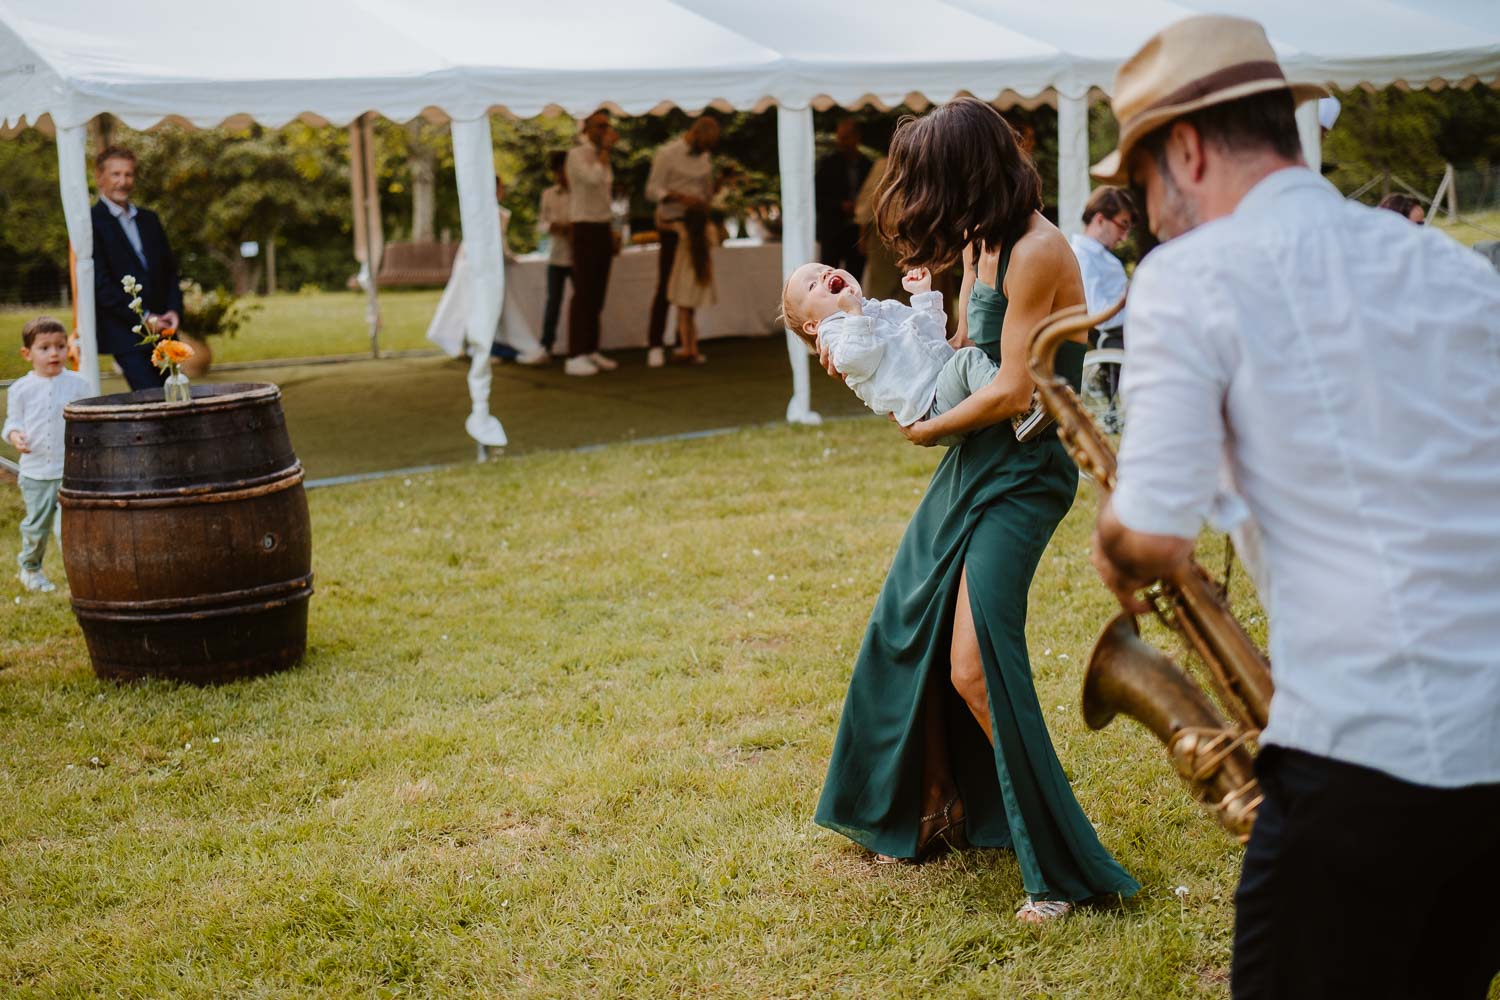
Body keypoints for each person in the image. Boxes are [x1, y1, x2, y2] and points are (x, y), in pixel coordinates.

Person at [1086, 15, 1500, 998]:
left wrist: (1112, 541)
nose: (1146, 214)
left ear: (1183, 148)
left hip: (1366, 754)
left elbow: (1151, 531)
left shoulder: (1189, 277)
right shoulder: (1445, 263)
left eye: (1144, 185)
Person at [813, 96, 1140, 925]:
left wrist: (925, 430)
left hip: (1024, 473)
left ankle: (1059, 868)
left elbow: (1015, 385)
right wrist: (870, 345)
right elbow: (965, 351)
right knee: (903, 625)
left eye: (929, 179)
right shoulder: (980, 240)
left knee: (976, 664)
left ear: (966, 172)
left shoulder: (1037, 249)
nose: (921, 198)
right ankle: (936, 807)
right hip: (975, 459)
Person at [783, 262, 1005, 445]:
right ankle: (1016, 397)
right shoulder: (834, 333)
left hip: (945, 389)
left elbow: (932, 337)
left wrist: (922, 296)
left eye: (825, 269)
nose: (824, 275)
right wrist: (853, 313)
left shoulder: (880, 309)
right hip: (932, 409)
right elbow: (855, 359)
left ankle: (1008, 397)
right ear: (813, 326)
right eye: (812, 285)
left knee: (972, 356)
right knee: (968, 359)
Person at [3, 317, 92, 593]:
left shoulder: (79, 384)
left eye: (61, 346)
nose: (54, 353)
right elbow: (12, 423)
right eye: (45, 348)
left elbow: (89, 420)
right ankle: (30, 569)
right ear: (27, 354)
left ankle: (79, 576)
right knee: (36, 527)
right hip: (36, 473)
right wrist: (16, 436)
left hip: (70, 472)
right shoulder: (21, 389)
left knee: (67, 529)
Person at [90, 146, 182, 391]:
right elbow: (101, 285)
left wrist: (173, 310)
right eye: (116, 174)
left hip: (165, 328)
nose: (123, 181)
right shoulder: (90, 223)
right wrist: (144, 318)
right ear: (99, 177)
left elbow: (170, 271)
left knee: (177, 394)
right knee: (151, 398)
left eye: (128, 174)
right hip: (125, 334)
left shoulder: (149, 219)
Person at [645, 117, 719, 368]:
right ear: (695, 135)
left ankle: (685, 344)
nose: (705, 150)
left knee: (690, 288)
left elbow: (707, 191)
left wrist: (703, 202)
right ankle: (655, 344)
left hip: (696, 227)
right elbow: (652, 189)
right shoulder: (667, 154)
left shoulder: (705, 159)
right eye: (704, 144)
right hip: (673, 226)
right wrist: (676, 196)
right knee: (667, 285)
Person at [564, 111, 621, 377]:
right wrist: (603, 153)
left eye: (607, 126)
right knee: (584, 291)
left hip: (602, 226)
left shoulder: (604, 158)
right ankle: (575, 354)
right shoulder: (577, 155)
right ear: (586, 128)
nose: (605, 130)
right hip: (584, 227)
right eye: (601, 126)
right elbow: (592, 179)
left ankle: (590, 349)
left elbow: (606, 192)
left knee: (598, 291)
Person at [1070, 185, 1135, 413]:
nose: (1124, 236)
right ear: (1100, 220)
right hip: (1114, 336)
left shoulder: (1102, 258)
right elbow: (1100, 316)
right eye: (1122, 225)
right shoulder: (1083, 258)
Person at [814, 118, 872, 281]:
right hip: (832, 231)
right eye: (840, 137)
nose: (842, 142)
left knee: (855, 279)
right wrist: (840, 205)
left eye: (846, 137)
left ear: (856, 137)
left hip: (856, 232)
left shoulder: (866, 164)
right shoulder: (827, 164)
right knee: (828, 278)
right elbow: (816, 198)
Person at [663, 203, 717, 364]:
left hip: (684, 280)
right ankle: (692, 347)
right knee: (690, 314)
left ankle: (688, 348)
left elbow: (661, 223)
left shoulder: (683, 230)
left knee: (683, 314)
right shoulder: (709, 231)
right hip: (699, 279)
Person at [537, 150, 573, 357]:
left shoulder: (580, 192)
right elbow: (542, 222)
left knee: (582, 302)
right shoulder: (548, 195)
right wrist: (553, 227)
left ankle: (582, 345)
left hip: (577, 255)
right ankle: (546, 345)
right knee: (553, 302)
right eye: (558, 172)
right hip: (557, 255)